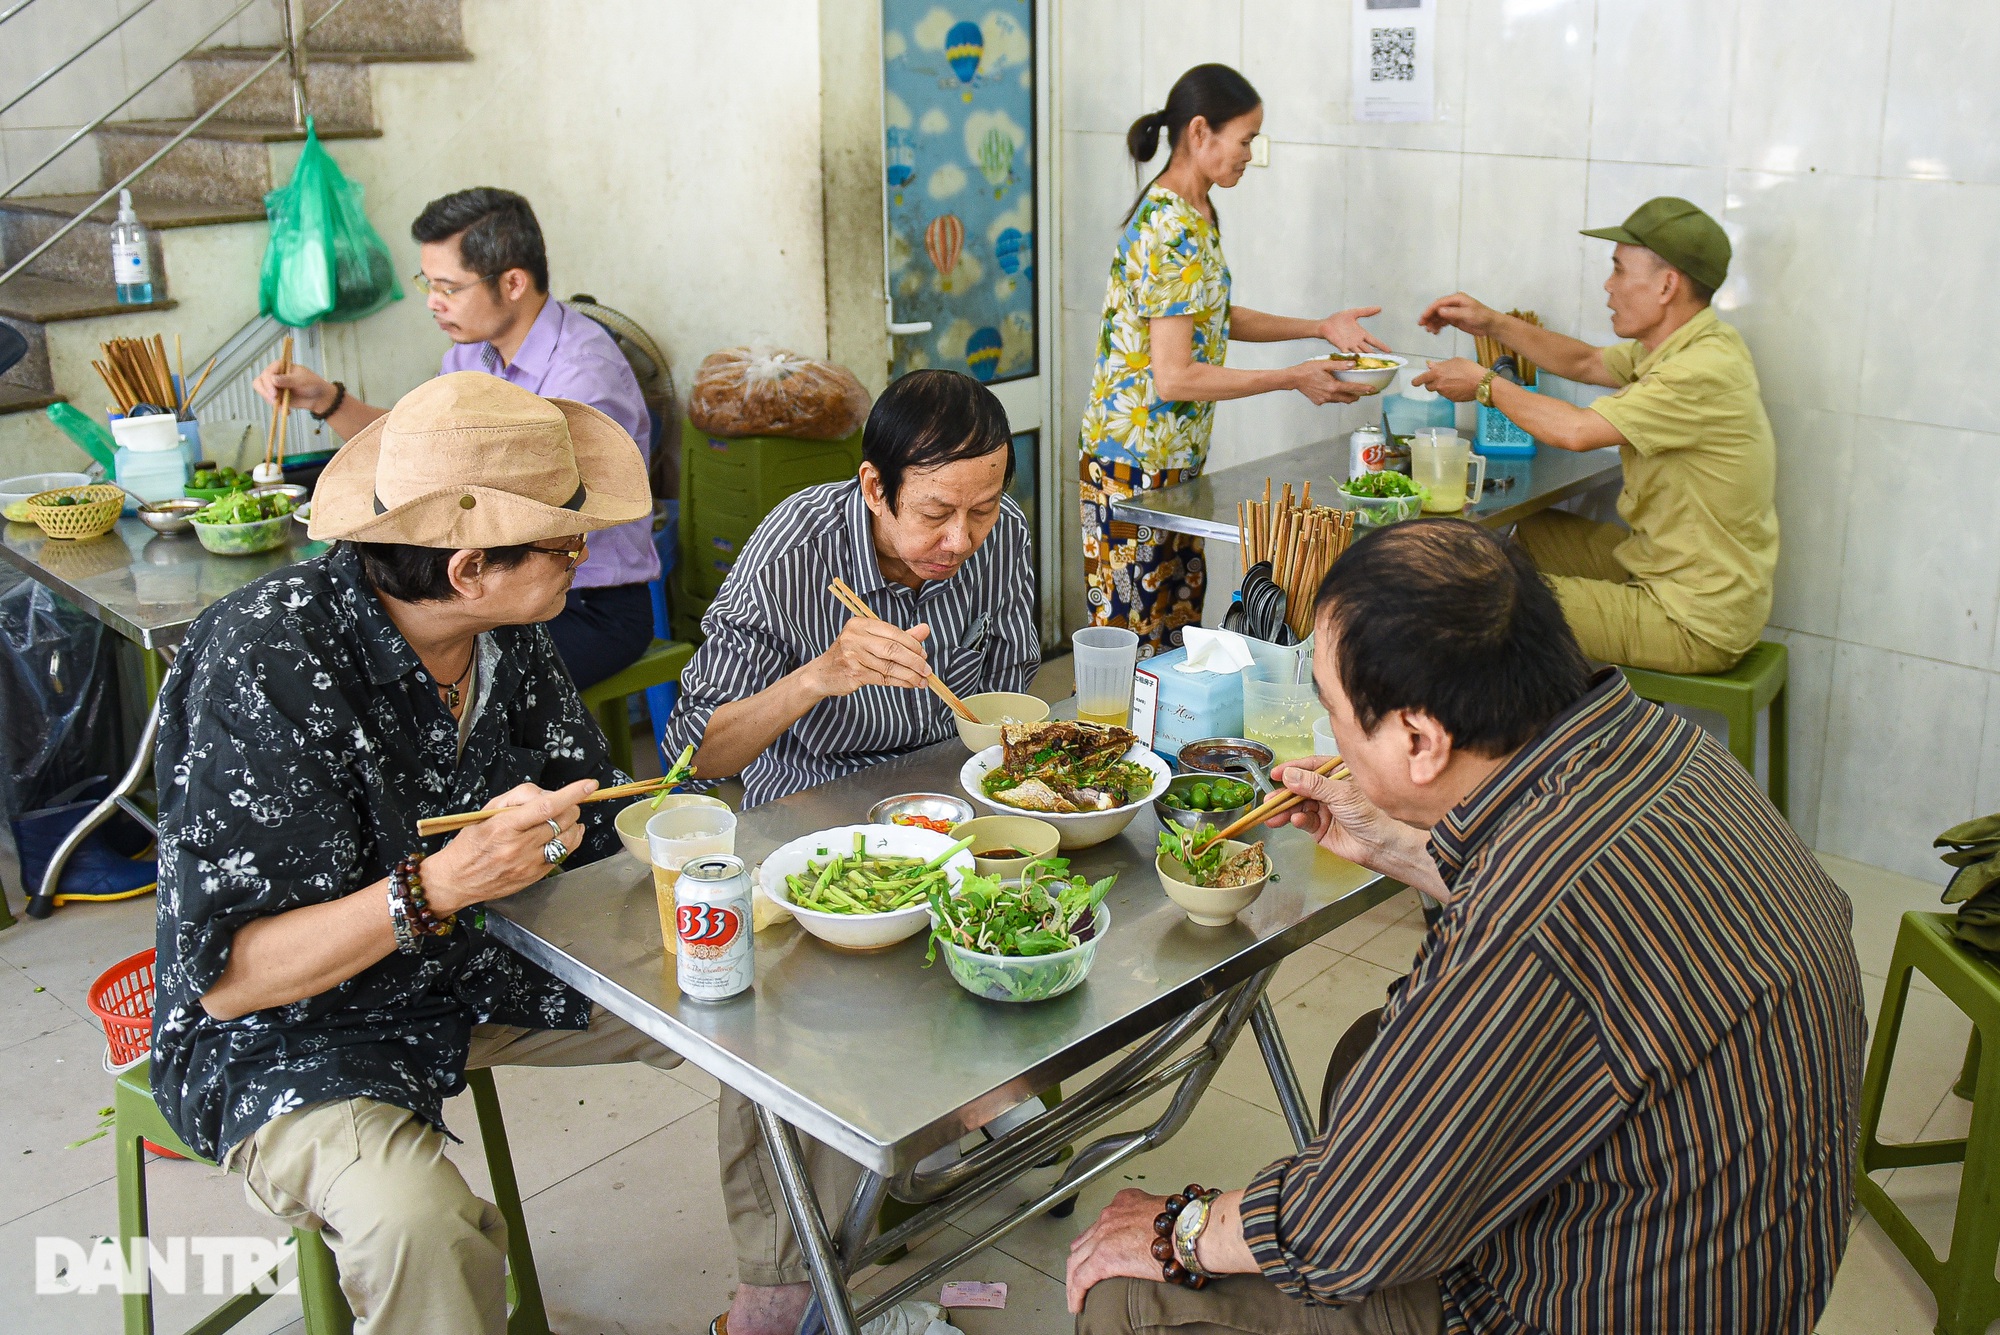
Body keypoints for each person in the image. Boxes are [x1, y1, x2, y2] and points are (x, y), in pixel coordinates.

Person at [1066, 519, 1865, 1335]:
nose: (1331, 735)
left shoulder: (1531, 911)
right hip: (1756, 1253)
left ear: (1419, 739)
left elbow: (1343, 1228)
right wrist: (1398, 845)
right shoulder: (1663, 747)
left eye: (1334, 709)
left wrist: (1179, 1228)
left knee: (1124, 1301)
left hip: (1602, 1303)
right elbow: (1571, 929)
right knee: (1367, 1057)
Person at [150, 373, 686, 1333]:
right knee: (419, 1228)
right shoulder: (263, 661)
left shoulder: (505, 632)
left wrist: (581, 834)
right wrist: (437, 884)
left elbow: (593, 817)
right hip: (299, 1028)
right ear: (469, 567)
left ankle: (786, 1289)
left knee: (746, 995)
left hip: (477, 965)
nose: (588, 554)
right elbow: (231, 979)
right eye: (569, 539)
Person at [663, 367, 1038, 1335]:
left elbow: (1005, 711)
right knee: (779, 1012)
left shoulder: (1002, 541)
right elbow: (694, 751)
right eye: (936, 514)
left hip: (939, 802)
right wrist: (817, 677)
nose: (961, 541)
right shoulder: (797, 545)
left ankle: (956, 1102)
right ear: (873, 488)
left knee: (1039, 901)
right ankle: (772, 1286)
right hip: (808, 806)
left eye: (984, 511)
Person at [253, 187, 660, 689]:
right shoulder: (474, 355)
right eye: (428, 282)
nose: (432, 302)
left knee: (409, 685)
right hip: (487, 588)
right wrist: (325, 399)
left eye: (448, 287)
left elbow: (537, 534)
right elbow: (428, 455)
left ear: (512, 282)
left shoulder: (582, 376)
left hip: (577, 600)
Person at [1080, 63, 1385, 654]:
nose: (1251, 153)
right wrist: (1293, 378)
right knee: (1134, 647)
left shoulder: (1199, 212)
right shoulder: (1169, 226)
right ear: (1201, 133)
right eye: (1245, 139)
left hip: (1174, 464)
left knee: (1176, 639)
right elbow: (1175, 376)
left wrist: (1316, 328)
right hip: (1131, 470)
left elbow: (1214, 317)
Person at [1414, 196, 1777, 674]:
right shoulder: (1691, 344)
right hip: (1657, 566)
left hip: (1691, 617)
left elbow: (1578, 432)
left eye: (1620, 270)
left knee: (1476, 601)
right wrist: (1494, 323)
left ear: (1667, 285)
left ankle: (1510, 738)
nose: (1608, 286)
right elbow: (1585, 362)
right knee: (1521, 535)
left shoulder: (1701, 369)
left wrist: (1485, 384)